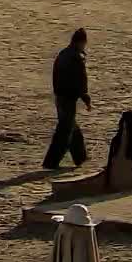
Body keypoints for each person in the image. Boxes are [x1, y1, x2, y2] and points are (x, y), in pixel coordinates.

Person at [43, 28, 92, 169]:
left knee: (71, 128)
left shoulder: (63, 54)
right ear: (82, 42)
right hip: (69, 97)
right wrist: (86, 100)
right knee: (64, 131)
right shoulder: (76, 57)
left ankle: (80, 157)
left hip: (60, 96)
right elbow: (81, 82)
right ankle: (51, 162)